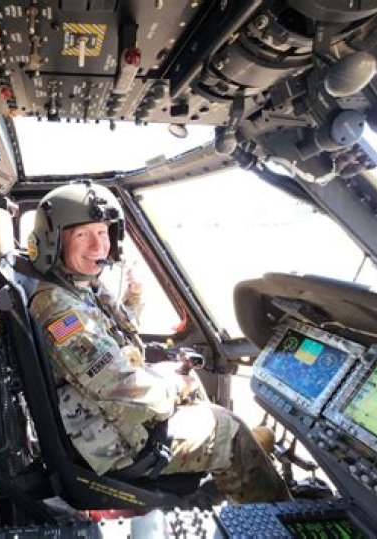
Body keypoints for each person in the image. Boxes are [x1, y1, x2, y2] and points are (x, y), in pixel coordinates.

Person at [27, 181, 291, 504]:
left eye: (103, 232)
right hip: (110, 443)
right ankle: (277, 508)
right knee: (229, 429)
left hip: (108, 415)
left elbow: (113, 336)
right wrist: (172, 388)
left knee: (187, 380)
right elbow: (117, 385)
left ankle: (238, 465)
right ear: (54, 242)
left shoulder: (79, 287)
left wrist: (134, 296)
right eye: (82, 235)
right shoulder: (59, 310)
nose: (98, 246)